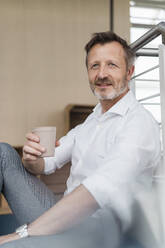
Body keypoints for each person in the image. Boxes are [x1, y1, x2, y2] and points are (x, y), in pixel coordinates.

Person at [0, 31, 160, 248]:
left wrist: (24, 233)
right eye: (95, 66)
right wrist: (31, 158)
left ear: (129, 71)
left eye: (112, 65)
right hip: (67, 216)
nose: (102, 74)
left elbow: (100, 190)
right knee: (3, 153)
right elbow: (46, 163)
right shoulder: (91, 122)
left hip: (101, 229)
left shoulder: (138, 123)